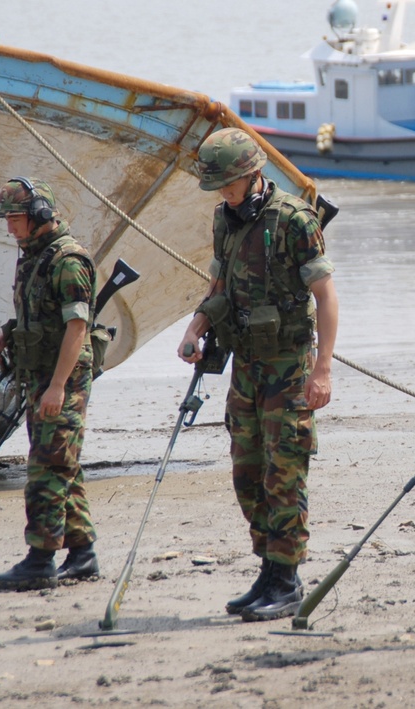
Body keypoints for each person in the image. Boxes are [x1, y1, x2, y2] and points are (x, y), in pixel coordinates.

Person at [178, 127, 338, 622]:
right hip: (244, 364)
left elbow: (326, 296)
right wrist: (195, 328)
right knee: (247, 472)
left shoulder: (294, 219)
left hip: (288, 366)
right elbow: (219, 283)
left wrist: (322, 370)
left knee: (283, 471)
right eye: (218, 186)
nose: (224, 193)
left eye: (229, 184)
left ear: (253, 175)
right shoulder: (224, 219)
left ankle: (287, 578)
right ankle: (269, 569)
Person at [0, 177, 100, 591]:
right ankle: (82, 554)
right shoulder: (35, 256)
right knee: (61, 463)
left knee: (46, 469)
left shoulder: (68, 261)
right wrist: (5, 337)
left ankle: (40, 560)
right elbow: (37, 313)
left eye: (14, 219)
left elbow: (77, 328)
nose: (9, 228)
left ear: (39, 216)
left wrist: (58, 387)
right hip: (39, 376)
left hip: (60, 379)